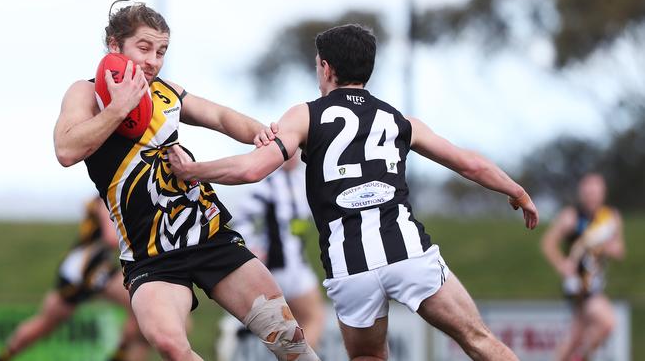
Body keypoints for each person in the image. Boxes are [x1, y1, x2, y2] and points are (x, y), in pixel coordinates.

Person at [167, 24, 539, 360]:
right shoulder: (399, 120)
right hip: (407, 251)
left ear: (327, 68)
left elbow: (252, 168)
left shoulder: (305, 115)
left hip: (350, 268)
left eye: (317, 66)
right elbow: (468, 163)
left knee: (368, 357)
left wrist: (193, 171)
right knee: (478, 339)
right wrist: (516, 191)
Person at [53, 1, 318, 361]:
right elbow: (66, 151)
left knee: (289, 339)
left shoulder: (166, 91)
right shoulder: (85, 94)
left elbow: (221, 117)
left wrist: (262, 134)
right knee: (170, 345)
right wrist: (119, 108)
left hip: (209, 237)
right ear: (115, 47)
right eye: (144, 48)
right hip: (150, 256)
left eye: (161, 51)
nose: (153, 61)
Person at [0, 197, 148, 361]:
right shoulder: (106, 199)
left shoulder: (116, 195)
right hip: (84, 267)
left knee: (142, 307)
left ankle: (4, 356)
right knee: (142, 305)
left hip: (90, 266)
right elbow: (111, 238)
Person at [218, 152, 325, 360]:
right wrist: (253, 247)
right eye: (288, 152)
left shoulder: (300, 181)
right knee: (313, 316)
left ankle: (238, 329)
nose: (293, 157)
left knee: (294, 326)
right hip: (282, 267)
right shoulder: (267, 184)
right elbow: (242, 220)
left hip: (295, 264)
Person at [541, 173, 624, 361]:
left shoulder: (610, 217)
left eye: (596, 191)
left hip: (596, 281)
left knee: (575, 336)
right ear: (581, 193)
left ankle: (575, 357)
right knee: (607, 322)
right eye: (588, 191)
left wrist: (609, 248)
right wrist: (561, 264)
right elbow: (548, 243)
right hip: (577, 283)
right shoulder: (571, 216)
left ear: (603, 193)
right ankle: (580, 358)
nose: (592, 195)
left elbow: (619, 250)